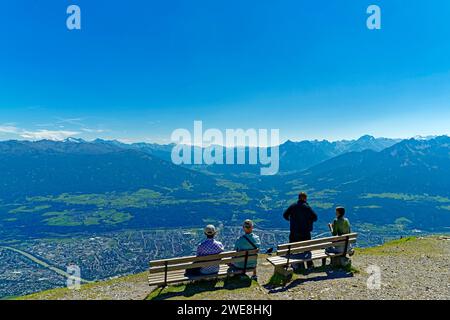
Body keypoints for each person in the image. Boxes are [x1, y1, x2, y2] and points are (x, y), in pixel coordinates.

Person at [283, 192, 318, 269]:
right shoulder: (307, 207)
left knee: (291, 247)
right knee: (307, 248)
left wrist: (292, 221)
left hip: (294, 232)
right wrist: (309, 220)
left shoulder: (293, 206)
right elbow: (315, 217)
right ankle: (310, 264)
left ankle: (291, 264)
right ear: (305, 198)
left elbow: (285, 215)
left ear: (298, 198)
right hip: (305, 232)